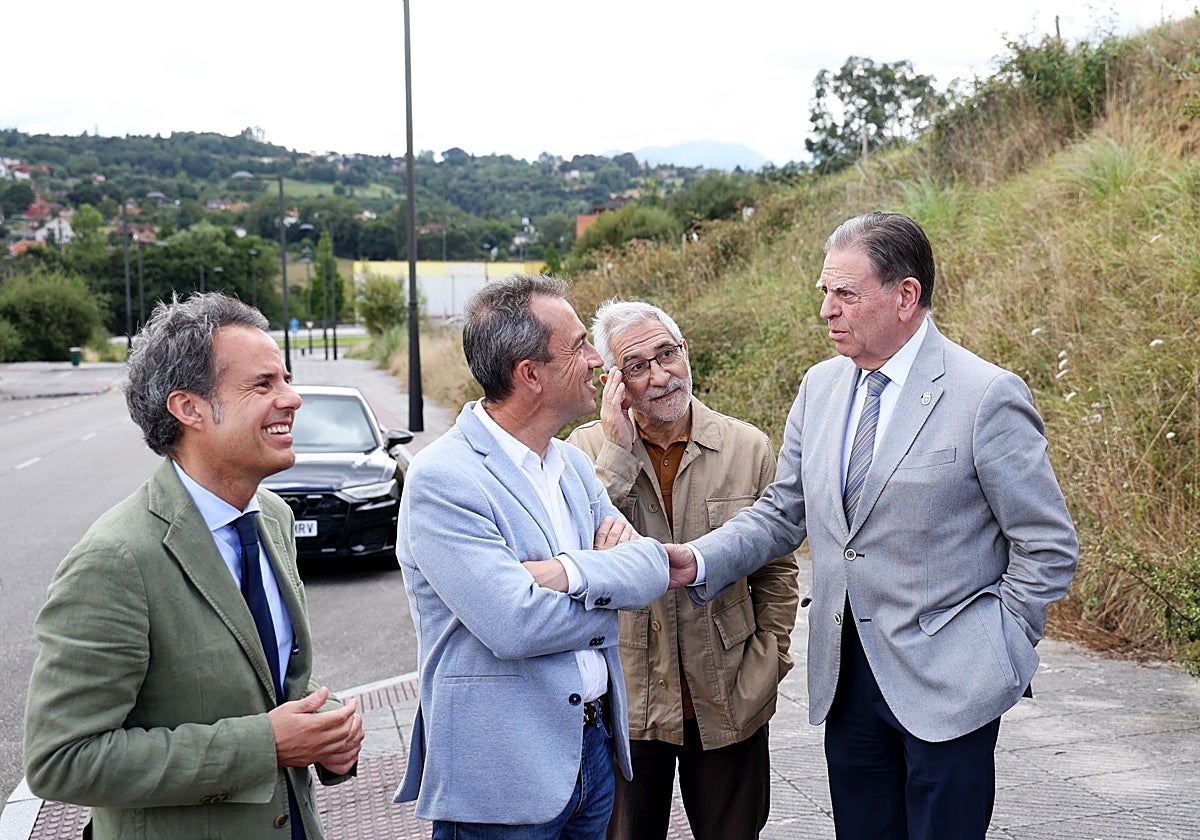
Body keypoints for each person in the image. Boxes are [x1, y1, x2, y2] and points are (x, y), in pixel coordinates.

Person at [666, 212, 1079, 839]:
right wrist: (698, 559)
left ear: (906, 295)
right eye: (824, 292)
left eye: (846, 293)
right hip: (847, 679)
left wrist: (1000, 641)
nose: (827, 310)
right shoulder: (820, 386)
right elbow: (783, 511)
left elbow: (1047, 545)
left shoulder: (985, 394)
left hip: (951, 682)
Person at [24, 293, 363, 840]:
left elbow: (270, 679)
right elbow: (62, 760)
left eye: (286, 379)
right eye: (263, 385)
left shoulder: (272, 517)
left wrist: (327, 725)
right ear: (189, 409)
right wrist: (265, 744)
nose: (293, 398)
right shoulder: (115, 560)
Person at [392, 274, 672, 839]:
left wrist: (565, 573)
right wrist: (610, 594)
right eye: (579, 346)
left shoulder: (570, 464)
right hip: (504, 778)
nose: (598, 360)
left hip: (591, 752)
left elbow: (651, 569)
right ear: (530, 374)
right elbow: (514, 625)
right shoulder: (444, 479)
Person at [567, 300, 799, 840]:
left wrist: (770, 657)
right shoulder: (583, 451)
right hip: (629, 702)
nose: (659, 376)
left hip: (730, 694)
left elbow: (777, 569)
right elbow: (578, 557)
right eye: (636, 366)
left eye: (666, 354)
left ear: (685, 352)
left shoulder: (747, 446)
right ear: (613, 382)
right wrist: (617, 455)